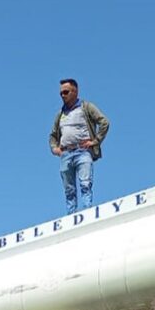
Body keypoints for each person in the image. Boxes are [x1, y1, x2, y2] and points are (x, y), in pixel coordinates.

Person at [49, 78, 110, 214]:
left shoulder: (86, 107)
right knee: (69, 190)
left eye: (65, 92)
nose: (63, 95)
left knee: (85, 184)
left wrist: (95, 141)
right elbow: (53, 135)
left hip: (83, 151)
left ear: (75, 92)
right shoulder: (60, 114)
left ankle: (87, 212)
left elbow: (104, 122)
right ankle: (71, 216)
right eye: (61, 93)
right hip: (65, 153)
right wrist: (55, 148)